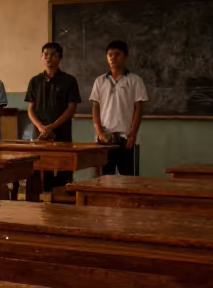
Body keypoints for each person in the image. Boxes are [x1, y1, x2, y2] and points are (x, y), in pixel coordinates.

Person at [25, 42, 82, 191]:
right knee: (39, 169)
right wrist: (42, 127)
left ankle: (63, 205)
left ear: (60, 58)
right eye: (46, 54)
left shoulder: (69, 80)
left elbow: (71, 109)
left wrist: (52, 127)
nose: (49, 58)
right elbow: (30, 109)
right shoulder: (35, 81)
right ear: (42, 57)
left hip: (61, 132)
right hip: (40, 134)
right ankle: (39, 207)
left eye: (53, 54)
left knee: (64, 170)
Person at [90, 39, 148, 175]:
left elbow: (138, 109)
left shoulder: (135, 80)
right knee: (103, 179)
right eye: (110, 54)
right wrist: (99, 133)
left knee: (128, 180)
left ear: (125, 56)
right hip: (105, 138)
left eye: (117, 54)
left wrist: (132, 135)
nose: (113, 58)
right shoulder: (100, 81)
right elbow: (95, 107)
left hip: (126, 138)